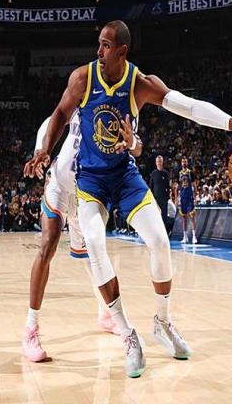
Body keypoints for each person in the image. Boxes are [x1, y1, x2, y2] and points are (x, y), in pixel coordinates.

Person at [26, 20, 232, 377]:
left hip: (124, 176)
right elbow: (59, 113)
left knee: (161, 242)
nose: (99, 51)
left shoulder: (140, 84)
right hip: (90, 181)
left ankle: (162, 322)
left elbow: (189, 107)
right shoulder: (83, 78)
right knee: (95, 245)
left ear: (122, 50)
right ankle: (127, 334)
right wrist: (45, 149)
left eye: (106, 45)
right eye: (99, 44)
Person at [22, 110, 142, 362]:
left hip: (87, 193)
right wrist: (40, 149)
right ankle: (30, 329)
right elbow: (52, 119)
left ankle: (106, 314)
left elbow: (133, 147)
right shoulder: (81, 101)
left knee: (92, 256)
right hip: (59, 184)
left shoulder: (116, 113)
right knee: (48, 244)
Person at [178, 157, 197, 244]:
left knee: (192, 217)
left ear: (187, 163)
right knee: (184, 218)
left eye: (185, 161)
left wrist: (195, 197)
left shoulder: (190, 172)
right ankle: (185, 237)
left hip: (189, 196)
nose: (184, 163)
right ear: (181, 163)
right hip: (182, 197)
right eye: (183, 161)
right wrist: (177, 198)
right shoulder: (179, 173)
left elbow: (194, 185)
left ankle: (194, 236)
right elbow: (177, 186)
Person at [149, 155, 170, 228]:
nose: (159, 163)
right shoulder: (153, 173)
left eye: (160, 161)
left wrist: (167, 197)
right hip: (156, 199)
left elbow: (168, 186)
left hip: (164, 198)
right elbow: (151, 186)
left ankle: (164, 231)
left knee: (164, 216)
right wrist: (152, 198)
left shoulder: (166, 173)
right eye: (158, 161)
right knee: (155, 215)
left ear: (162, 162)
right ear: (156, 163)